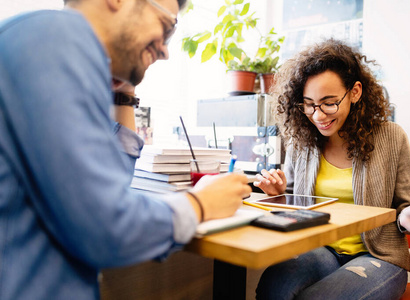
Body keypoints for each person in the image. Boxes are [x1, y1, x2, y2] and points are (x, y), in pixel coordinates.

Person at [0, 0, 252, 299]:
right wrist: (200, 204)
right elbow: (105, 227)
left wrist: (125, 95)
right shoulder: (54, 39)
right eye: (166, 26)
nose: (165, 50)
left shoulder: (47, 43)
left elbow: (111, 185)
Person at [253, 38, 410, 300]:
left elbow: (404, 206)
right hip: (321, 249)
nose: (318, 115)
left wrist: (408, 216)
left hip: (378, 256)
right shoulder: (302, 141)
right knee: (273, 288)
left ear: (355, 92)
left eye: (329, 102)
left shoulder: (391, 137)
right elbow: (294, 205)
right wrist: (278, 193)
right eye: (309, 104)